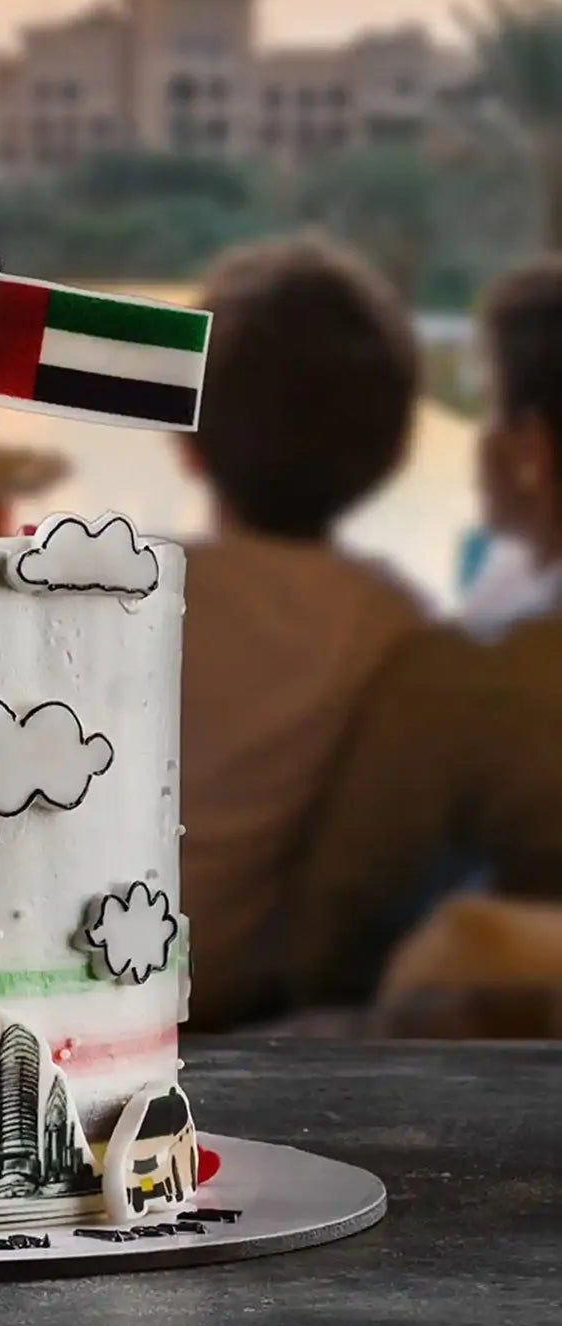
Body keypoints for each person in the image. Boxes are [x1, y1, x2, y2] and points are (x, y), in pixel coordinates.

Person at [288, 256, 562, 1012]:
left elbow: (323, 933)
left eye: (489, 411)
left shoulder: (470, 677)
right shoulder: (497, 611)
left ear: (531, 451)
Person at [177, 234, 426, 1030]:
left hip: (61, 990)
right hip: (227, 997)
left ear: (187, 442)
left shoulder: (126, 584)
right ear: (389, 452)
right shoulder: (392, 622)